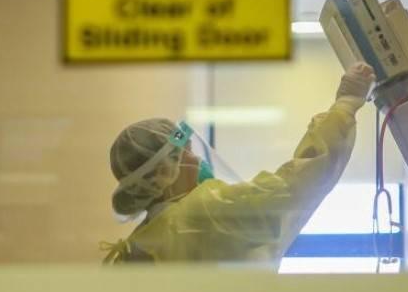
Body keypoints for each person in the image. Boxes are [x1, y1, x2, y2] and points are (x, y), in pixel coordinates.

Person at [101, 62, 375, 265]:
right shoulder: (203, 210)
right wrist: (344, 108)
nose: (198, 160)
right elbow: (292, 189)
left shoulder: (134, 247)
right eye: (188, 153)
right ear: (164, 173)